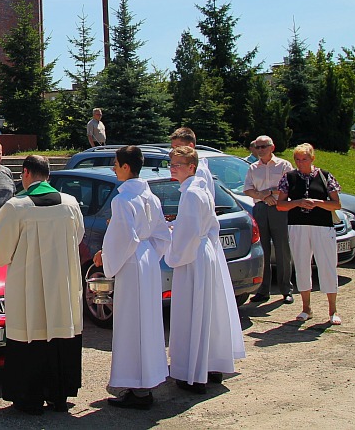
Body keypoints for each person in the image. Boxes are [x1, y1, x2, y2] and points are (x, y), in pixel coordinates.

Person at [0, 155, 84, 415]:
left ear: (26, 173)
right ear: (49, 174)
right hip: (62, 285)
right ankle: (58, 396)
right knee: (60, 332)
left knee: (30, 335)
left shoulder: (16, 206)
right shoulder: (70, 203)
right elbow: (78, 237)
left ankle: (29, 399)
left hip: (28, 286)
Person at [93, 146, 172, 409]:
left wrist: (105, 256)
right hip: (147, 262)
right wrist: (149, 252)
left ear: (127, 167)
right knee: (147, 322)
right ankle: (144, 382)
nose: (113, 168)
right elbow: (162, 234)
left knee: (131, 324)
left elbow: (123, 237)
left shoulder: (122, 200)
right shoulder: (151, 197)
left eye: (116, 164)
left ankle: (138, 388)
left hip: (131, 262)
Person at [165, 146, 246, 393]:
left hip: (192, 258)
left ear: (191, 167)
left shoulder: (191, 193)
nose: (173, 167)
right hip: (204, 253)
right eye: (172, 163)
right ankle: (210, 366)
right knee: (207, 313)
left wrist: (171, 250)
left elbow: (188, 233)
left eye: (178, 164)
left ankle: (192, 374)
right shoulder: (200, 189)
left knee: (192, 313)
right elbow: (205, 225)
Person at [276, 143, 343, 325]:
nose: (300, 162)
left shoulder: (325, 176)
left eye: (304, 159)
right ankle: (306, 308)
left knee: (327, 265)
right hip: (298, 226)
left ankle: (332, 310)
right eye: (297, 159)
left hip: (322, 226)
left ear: (312, 158)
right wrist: (298, 202)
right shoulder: (289, 177)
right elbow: (281, 205)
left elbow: (336, 204)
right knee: (301, 265)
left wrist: (318, 202)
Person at [244, 135, 295, 303]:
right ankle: (263, 290)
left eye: (263, 146)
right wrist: (263, 196)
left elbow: (289, 187)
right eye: (257, 147)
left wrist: (271, 192)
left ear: (272, 147)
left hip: (279, 208)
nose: (260, 150)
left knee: (282, 249)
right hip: (260, 208)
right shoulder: (253, 167)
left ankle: (286, 289)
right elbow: (248, 190)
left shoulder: (284, 165)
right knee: (263, 249)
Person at [169, 127, 214, 191]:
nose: (174, 151)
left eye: (178, 147)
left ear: (191, 146)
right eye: (172, 148)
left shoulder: (199, 170)